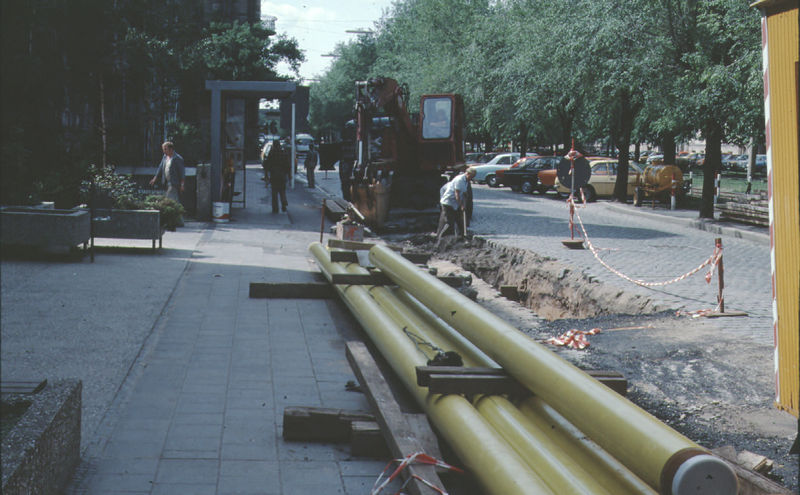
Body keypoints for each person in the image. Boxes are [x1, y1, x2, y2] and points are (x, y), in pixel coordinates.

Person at [436, 167, 476, 241]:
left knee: (460, 220)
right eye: (471, 176)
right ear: (467, 173)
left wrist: (464, 203)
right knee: (449, 222)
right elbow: (457, 195)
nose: (472, 178)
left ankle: (462, 237)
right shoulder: (459, 180)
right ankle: (440, 238)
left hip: (455, 204)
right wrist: (461, 205)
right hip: (448, 203)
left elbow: (464, 194)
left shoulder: (466, 181)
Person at [264, 139, 289, 213]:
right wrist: (288, 174)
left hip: (274, 174)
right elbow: (287, 165)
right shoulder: (283, 153)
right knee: (282, 190)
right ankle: (284, 202)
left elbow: (267, 165)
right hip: (282, 174)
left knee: (274, 192)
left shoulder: (272, 153)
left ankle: (275, 208)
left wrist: (266, 175)